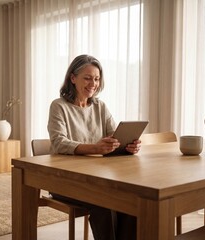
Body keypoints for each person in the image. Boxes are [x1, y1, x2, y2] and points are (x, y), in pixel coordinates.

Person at [47, 54, 140, 240]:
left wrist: (128, 145)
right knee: (104, 202)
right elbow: (59, 142)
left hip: (97, 179)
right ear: (73, 78)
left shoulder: (100, 106)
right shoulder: (59, 106)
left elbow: (115, 136)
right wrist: (95, 148)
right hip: (64, 179)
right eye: (87, 78)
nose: (93, 83)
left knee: (131, 201)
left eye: (96, 79)